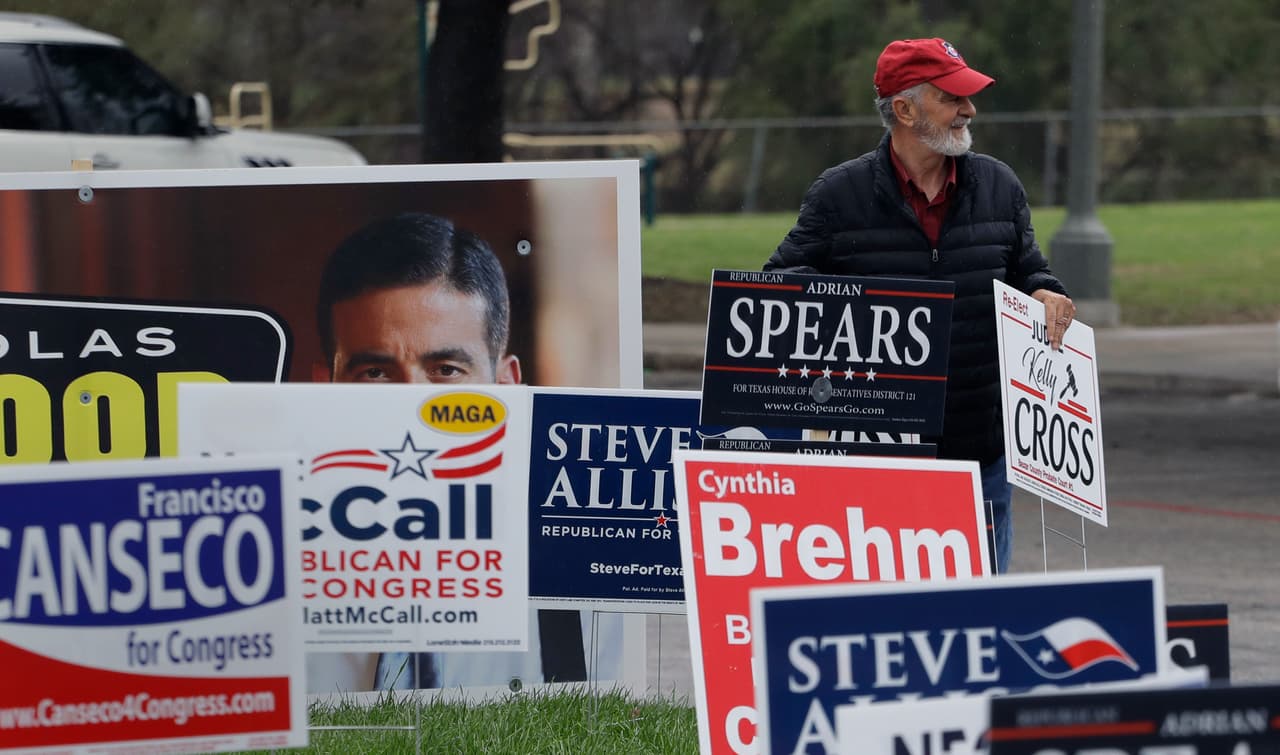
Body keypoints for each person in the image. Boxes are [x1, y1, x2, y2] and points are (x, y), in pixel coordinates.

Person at [764, 38, 1076, 574]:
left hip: (983, 446)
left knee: (981, 610)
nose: (969, 110)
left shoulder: (1000, 185)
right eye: (952, 97)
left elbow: (1028, 270)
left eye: (968, 97)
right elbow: (779, 286)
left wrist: (1047, 292)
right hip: (877, 455)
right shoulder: (839, 194)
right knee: (886, 609)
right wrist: (857, 313)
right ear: (904, 109)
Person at [310, 211, 596, 691]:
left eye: (445, 370)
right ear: (323, 388)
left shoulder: (584, 604)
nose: (412, 408)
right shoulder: (262, 602)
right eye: (374, 373)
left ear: (506, 385)